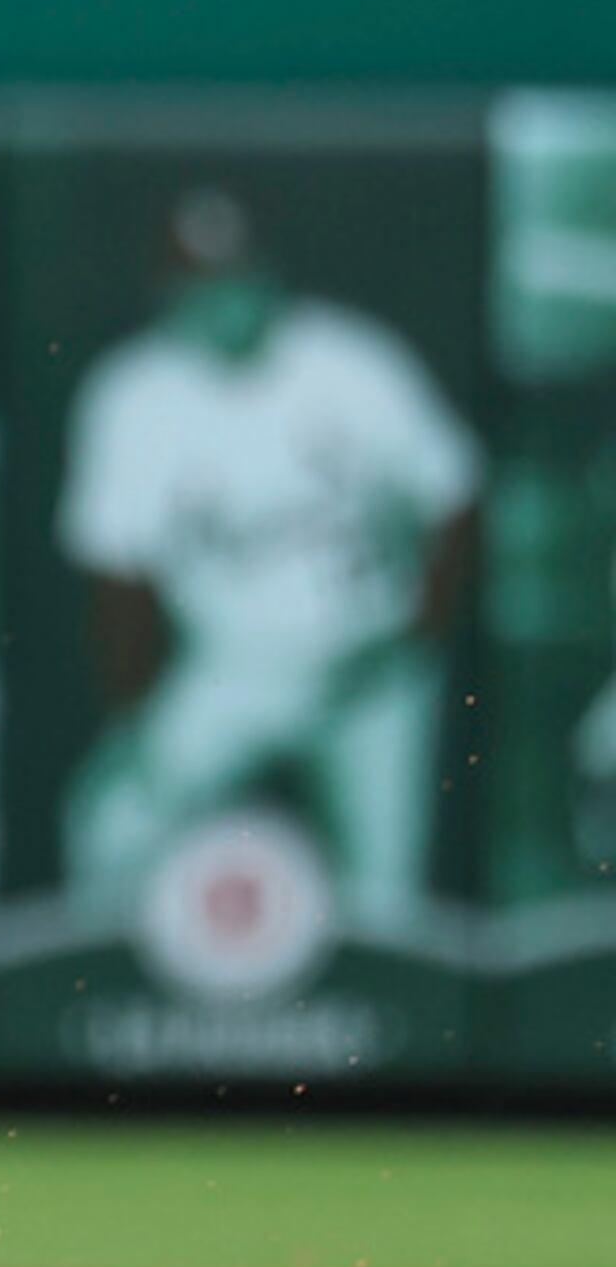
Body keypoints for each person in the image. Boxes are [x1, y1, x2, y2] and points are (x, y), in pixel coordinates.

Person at [57, 190, 478, 933]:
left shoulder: (352, 359)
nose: (225, 299)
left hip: (370, 660)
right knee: (111, 825)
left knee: (386, 896)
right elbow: (116, 575)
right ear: (169, 294)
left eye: (238, 277)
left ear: (270, 275)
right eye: (202, 283)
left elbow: (457, 495)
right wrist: (135, 722)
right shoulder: (133, 394)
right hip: (234, 666)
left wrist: (417, 637)